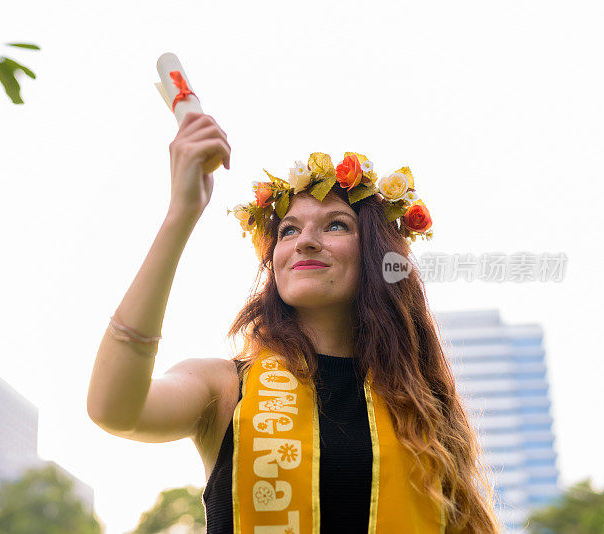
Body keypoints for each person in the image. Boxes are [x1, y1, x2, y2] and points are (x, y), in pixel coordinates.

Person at [86, 112, 500, 533]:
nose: (305, 240)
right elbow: (114, 409)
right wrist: (181, 214)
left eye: (336, 224)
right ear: (275, 261)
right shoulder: (225, 388)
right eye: (288, 230)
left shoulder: (420, 407)